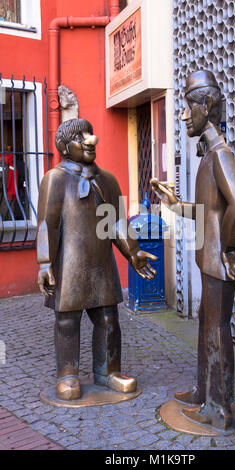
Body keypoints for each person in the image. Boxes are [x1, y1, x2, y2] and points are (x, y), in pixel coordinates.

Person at [151, 70, 235, 431]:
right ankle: (204, 391)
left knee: (216, 330)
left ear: (206, 106)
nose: (183, 114)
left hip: (216, 261)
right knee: (207, 325)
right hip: (208, 260)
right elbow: (210, 211)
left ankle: (219, 408)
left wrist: (228, 249)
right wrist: (177, 205)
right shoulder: (210, 155)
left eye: (188, 105)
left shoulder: (221, 155)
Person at [37, 118, 157, 400]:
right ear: (66, 147)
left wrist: (133, 252)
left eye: (90, 134)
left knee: (108, 319)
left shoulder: (107, 180)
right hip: (69, 263)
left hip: (101, 263)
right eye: (81, 137)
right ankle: (67, 375)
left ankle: (108, 371)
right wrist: (44, 262)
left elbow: (117, 223)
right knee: (67, 321)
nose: (90, 140)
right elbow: (47, 225)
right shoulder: (55, 179)